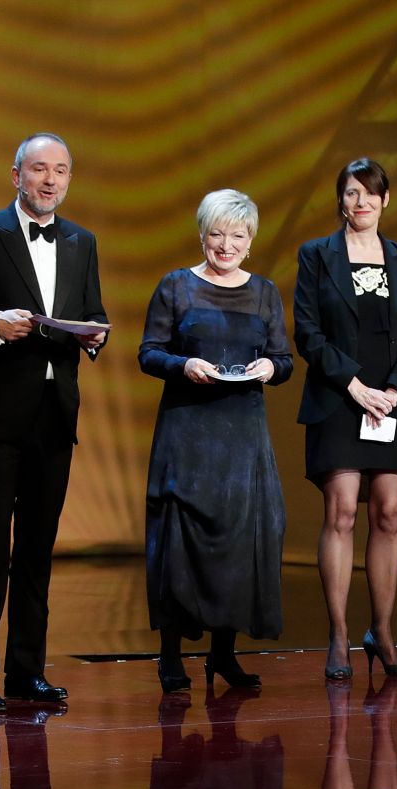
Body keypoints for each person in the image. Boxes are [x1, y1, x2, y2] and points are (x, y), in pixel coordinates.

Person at [0, 132, 109, 714]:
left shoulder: (82, 241)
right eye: (39, 170)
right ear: (16, 176)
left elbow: (93, 313)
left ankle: (27, 670)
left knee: (38, 546)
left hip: (55, 414)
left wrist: (97, 335)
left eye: (60, 170)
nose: (50, 180)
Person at [138, 189, 293, 693]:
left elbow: (284, 361)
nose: (226, 244)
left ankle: (223, 655)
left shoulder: (265, 292)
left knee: (238, 540)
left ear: (250, 242)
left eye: (238, 235)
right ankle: (170, 656)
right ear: (203, 234)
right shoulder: (176, 287)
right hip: (188, 434)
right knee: (179, 545)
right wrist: (184, 365)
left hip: (242, 436)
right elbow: (149, 353)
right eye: (217, 233)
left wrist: (271, 366)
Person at [294, 157, 397, 682]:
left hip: (393, 400)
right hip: (340, 396)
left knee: (390, 514)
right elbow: (308, 332)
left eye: (370, 193)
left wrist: (393, 390)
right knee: (343, 512)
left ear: (386, 200)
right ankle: (339, 636)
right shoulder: (317, 256)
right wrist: (355, 385)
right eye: (352, 193)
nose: (361, 202)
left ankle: (382, 631)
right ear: (341, 200)